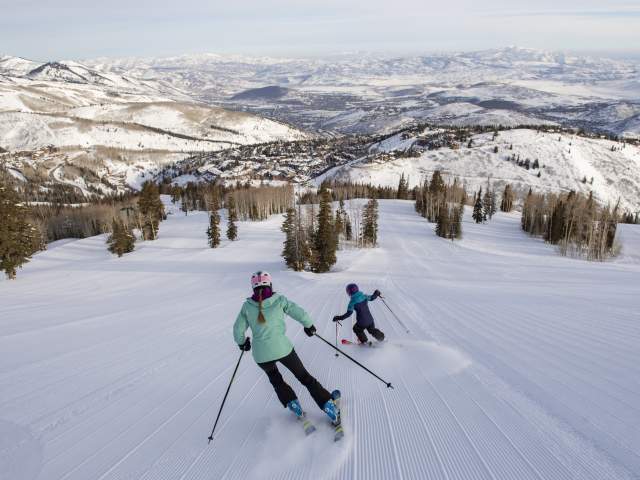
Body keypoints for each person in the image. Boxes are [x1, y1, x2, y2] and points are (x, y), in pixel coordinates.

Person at [234, 271, 340, 424]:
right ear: (269, 284)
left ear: (253, 288)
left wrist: (242, 342)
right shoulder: (279, 300)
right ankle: (327, 404)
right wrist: (309, 326)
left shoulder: (247, 306)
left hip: (261, 356)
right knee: (304, 377)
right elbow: (299, 312)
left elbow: (238, 329)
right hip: (283, 349)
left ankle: (292, 403)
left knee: (276, 380)